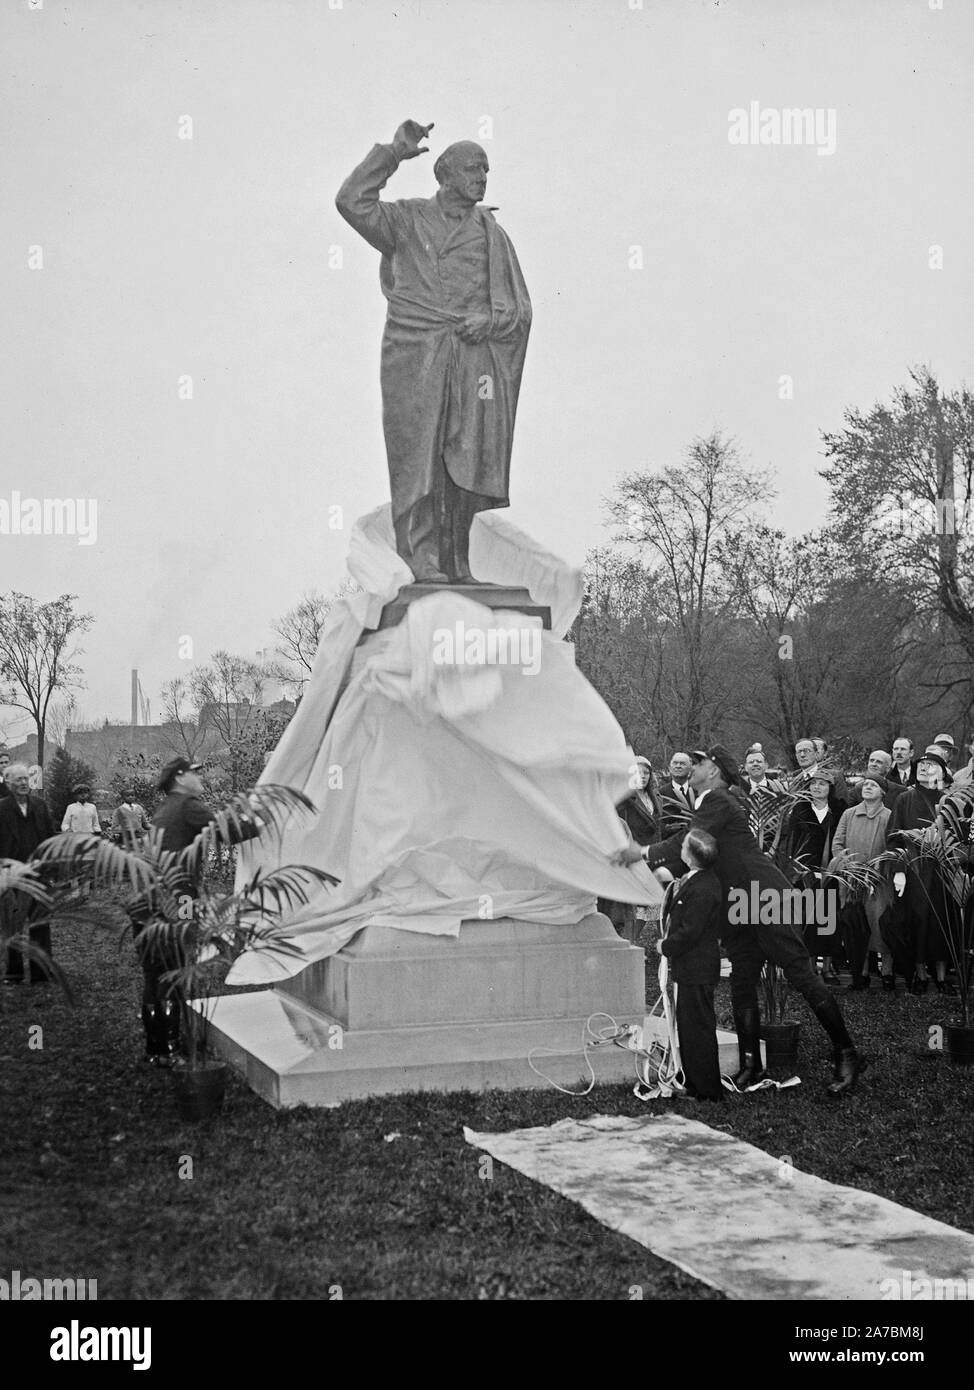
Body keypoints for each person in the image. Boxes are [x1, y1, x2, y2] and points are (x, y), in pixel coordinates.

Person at [336, 119, 531, 583]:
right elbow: (350, 201)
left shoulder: (492, 235)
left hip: (473, 358)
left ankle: (458, 561)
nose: (483, 177)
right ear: (445, 174)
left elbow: (519, 308)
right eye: (474, 168)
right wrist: (392, 153)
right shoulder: (406, 220)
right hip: (414, 351)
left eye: (486, 170)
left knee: (465, 456)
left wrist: (491, 319)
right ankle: (421, 558)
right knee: (417, 454)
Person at [619, 745, 863, 1096]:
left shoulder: (717, 800)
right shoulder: (712, 801)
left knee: (801, 974)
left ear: (714, 771)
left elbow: (688, 842)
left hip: (766, 899)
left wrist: (639, 853)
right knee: (742, 980)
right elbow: (688, 850)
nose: (692, 765)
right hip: (741, 902)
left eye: (699, 761)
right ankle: (751, 1063)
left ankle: (847, 1053)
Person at [657, 828, 724, 1102]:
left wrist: (665, 946)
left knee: (698, 1029)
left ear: (692, 856)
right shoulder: (697, 881)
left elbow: (690, 931)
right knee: (690, 1026)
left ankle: (707, 1089)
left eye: (683, 846)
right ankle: (695, 1084)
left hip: (697, 967)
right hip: (691, 968)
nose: (680, 849)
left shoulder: (703, 888)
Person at [886, 747, 956, 993]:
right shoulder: (905, 798)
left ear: (942, 771)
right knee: (917, 920)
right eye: (921, 766)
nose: (924, 769)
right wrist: (899, 870)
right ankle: (920, 973)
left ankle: (941, 974)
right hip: (914, 869)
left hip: (944, 868)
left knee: (943, 922)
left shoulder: (951, 798)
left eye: (931, 766)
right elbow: (894, 836)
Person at [828, 775, 894, 990]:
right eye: (865, 784)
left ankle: (887, 972)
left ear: (883, 792)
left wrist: (878, 868)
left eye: (873, 785)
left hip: (878, 882)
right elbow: (837, 843)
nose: (868, 787)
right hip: (851, 878)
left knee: (879, 924)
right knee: (856, 925)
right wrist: (847, 865)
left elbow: (893, 849)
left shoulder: (889, 816)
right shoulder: (849, 814)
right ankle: (861, 972)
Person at [0, 762, 56, 984]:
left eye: (26, 779)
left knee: (40, 922)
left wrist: (50, 866)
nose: (24, 783)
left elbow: (50, 838)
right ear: (9, 783)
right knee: (13, 925)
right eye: (18, 780)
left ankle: (41, 971)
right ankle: (14, 973)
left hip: (38, 873)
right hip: (11, 875)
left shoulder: (40, 805)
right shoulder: (2, 808)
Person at [786, 770, 843, 978]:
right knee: (807, 920)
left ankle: (827, 967)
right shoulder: (799, 810)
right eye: (813, 784)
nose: (817, 787)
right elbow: (791, 843)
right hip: (805, 872)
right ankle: (810, 967)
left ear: (830, 788)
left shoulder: (839, 810)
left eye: (822, 784)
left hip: (831, 871)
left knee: (829, 919)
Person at [597, 756, 658, 944]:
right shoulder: (624, 799)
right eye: (638, 771)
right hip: (631, 853)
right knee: (630, 905)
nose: (643, 776)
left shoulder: (655, 797)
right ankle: (626, 940)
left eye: (647, 772)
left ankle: (632, 940)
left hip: (652, 854)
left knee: (649, 906)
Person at [741, 748, 787, 854]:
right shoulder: (738, 791)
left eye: (759, 761)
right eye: (751, 762)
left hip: (772, 851)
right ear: (745, 767)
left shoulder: (778, 789)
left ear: (766, 765)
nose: (755, 764)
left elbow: (784, 823)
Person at [657, 752, 695, 838]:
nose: (678, 766)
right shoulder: (660, 794)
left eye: (682, 764)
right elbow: (657, 824)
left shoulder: (698, 791)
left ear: (690, 769)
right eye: (675, 763)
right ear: (670, 768)